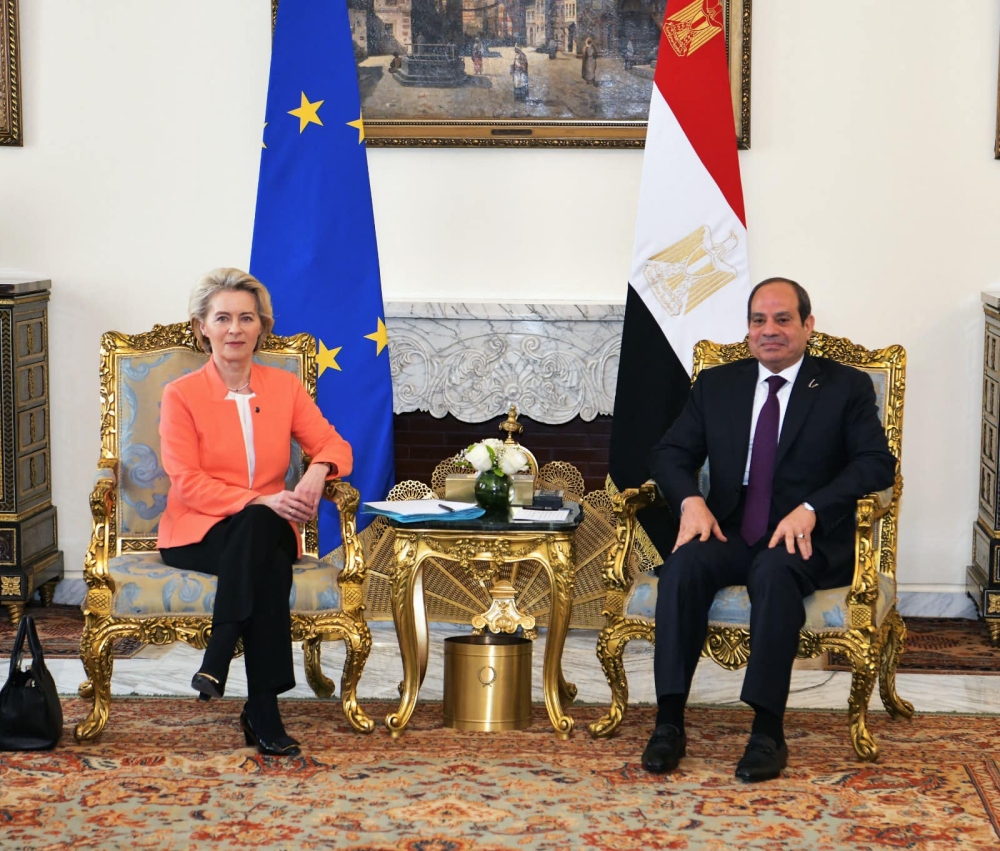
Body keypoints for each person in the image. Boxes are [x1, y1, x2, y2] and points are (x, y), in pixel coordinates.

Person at [642, 278, 895, 782]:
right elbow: (669, 453)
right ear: (748, 329)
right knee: (683, 566)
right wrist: (691, 501)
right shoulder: (719, 384)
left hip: (803, 537)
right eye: (759, 320)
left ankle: (766, 730)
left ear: (808, 325)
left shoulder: (844, 387)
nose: (770, 330)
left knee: (775, 573)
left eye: (783, 319)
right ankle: (668, 721)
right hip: (731, 528)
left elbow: (875, 465)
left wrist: (813, 508)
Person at [157, 268, 352, 758]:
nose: (235, 329)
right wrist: (259, 499)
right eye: (222, 318)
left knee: (261, 529)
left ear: (262, 327)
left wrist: (316, 470)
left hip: (268, 528)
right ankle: (262, 708)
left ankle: (219, 657)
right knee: (261, 543)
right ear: (202, 326)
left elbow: (336, 444)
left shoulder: (283, 388)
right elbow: (187, 481)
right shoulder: (180, 394)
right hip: (198, 532)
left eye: (247, 318)